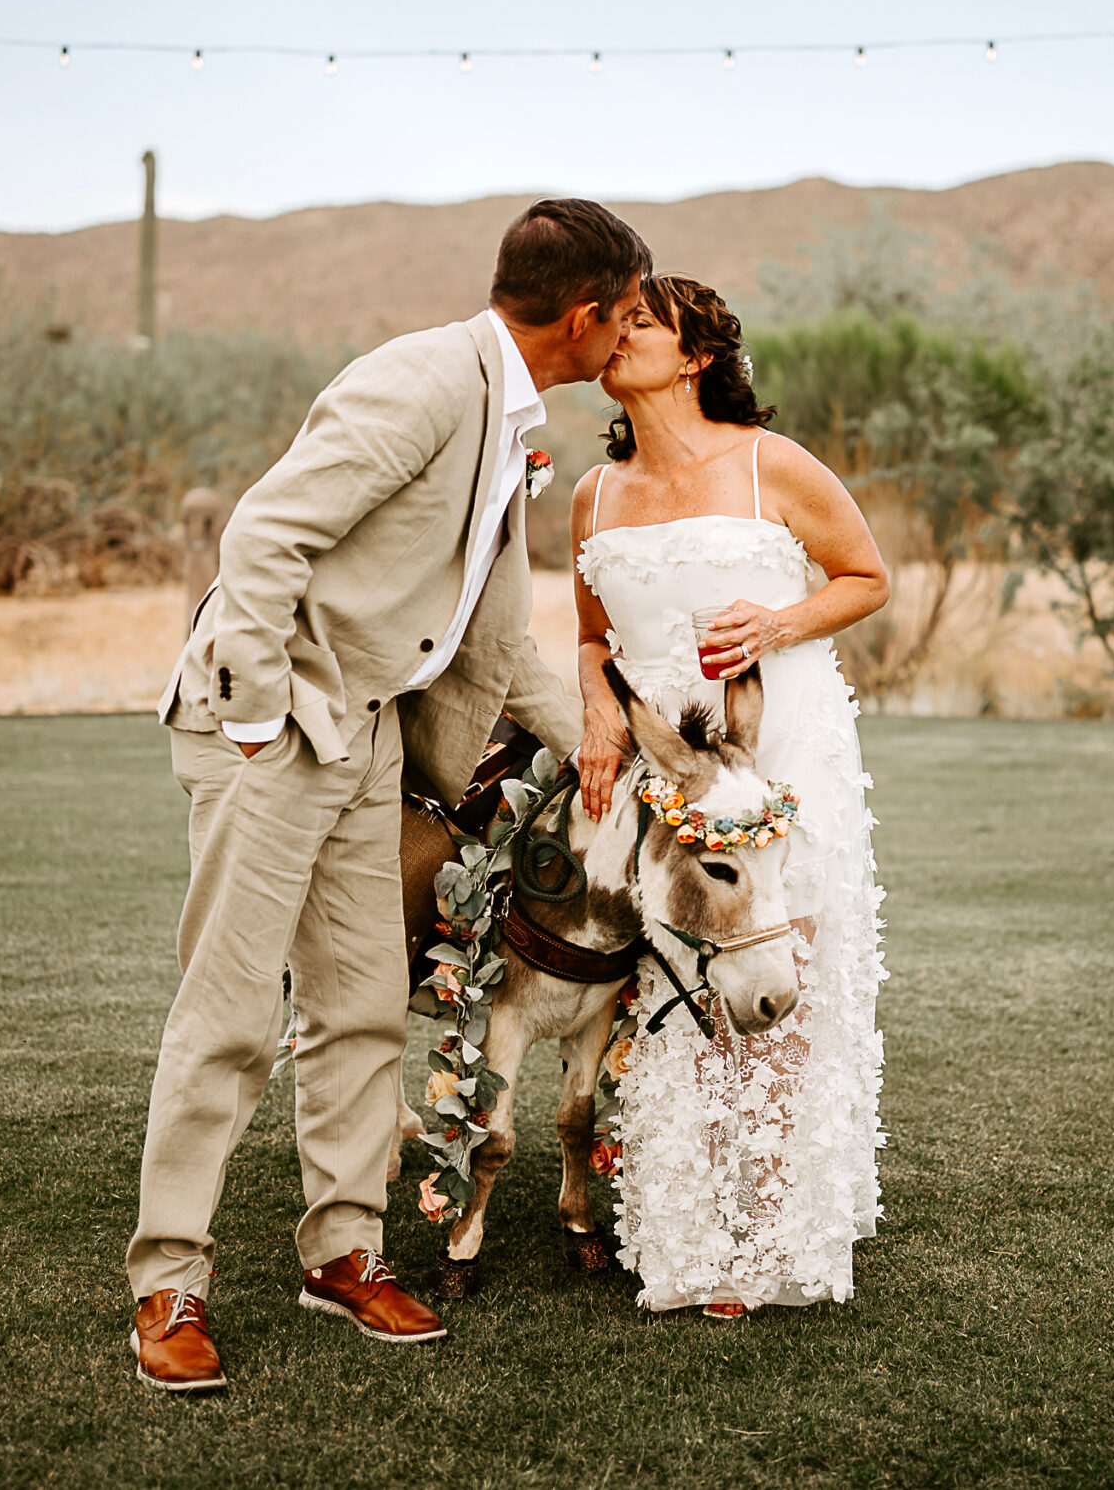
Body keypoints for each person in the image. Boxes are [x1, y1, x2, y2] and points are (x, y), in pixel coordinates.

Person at [130, 199, 651, 1392]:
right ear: (581, 318)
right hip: (271, 732)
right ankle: (169, 1281)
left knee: (363, 1006)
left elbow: (499, 639)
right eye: (624, 315)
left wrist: (617, 755)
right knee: (229, 1017)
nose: (627, 337)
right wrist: (257, 716)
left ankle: (345, 1254)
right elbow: (264, 535)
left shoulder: (511, 417)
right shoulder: (422, 382)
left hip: (364, 739)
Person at [571, 273, 892, 1318]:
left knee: (774, 970)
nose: (618, 339)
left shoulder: (770, 465)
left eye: (642, 325)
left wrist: (777, 624)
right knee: (675, 981)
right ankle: (690, 1226)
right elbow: (588, 633)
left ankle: (775, 1224)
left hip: (781, 742)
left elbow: (864, 576)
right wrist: (597, 709)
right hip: (668, 766)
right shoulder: (591, 494)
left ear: (696, 354)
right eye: (611, 323)